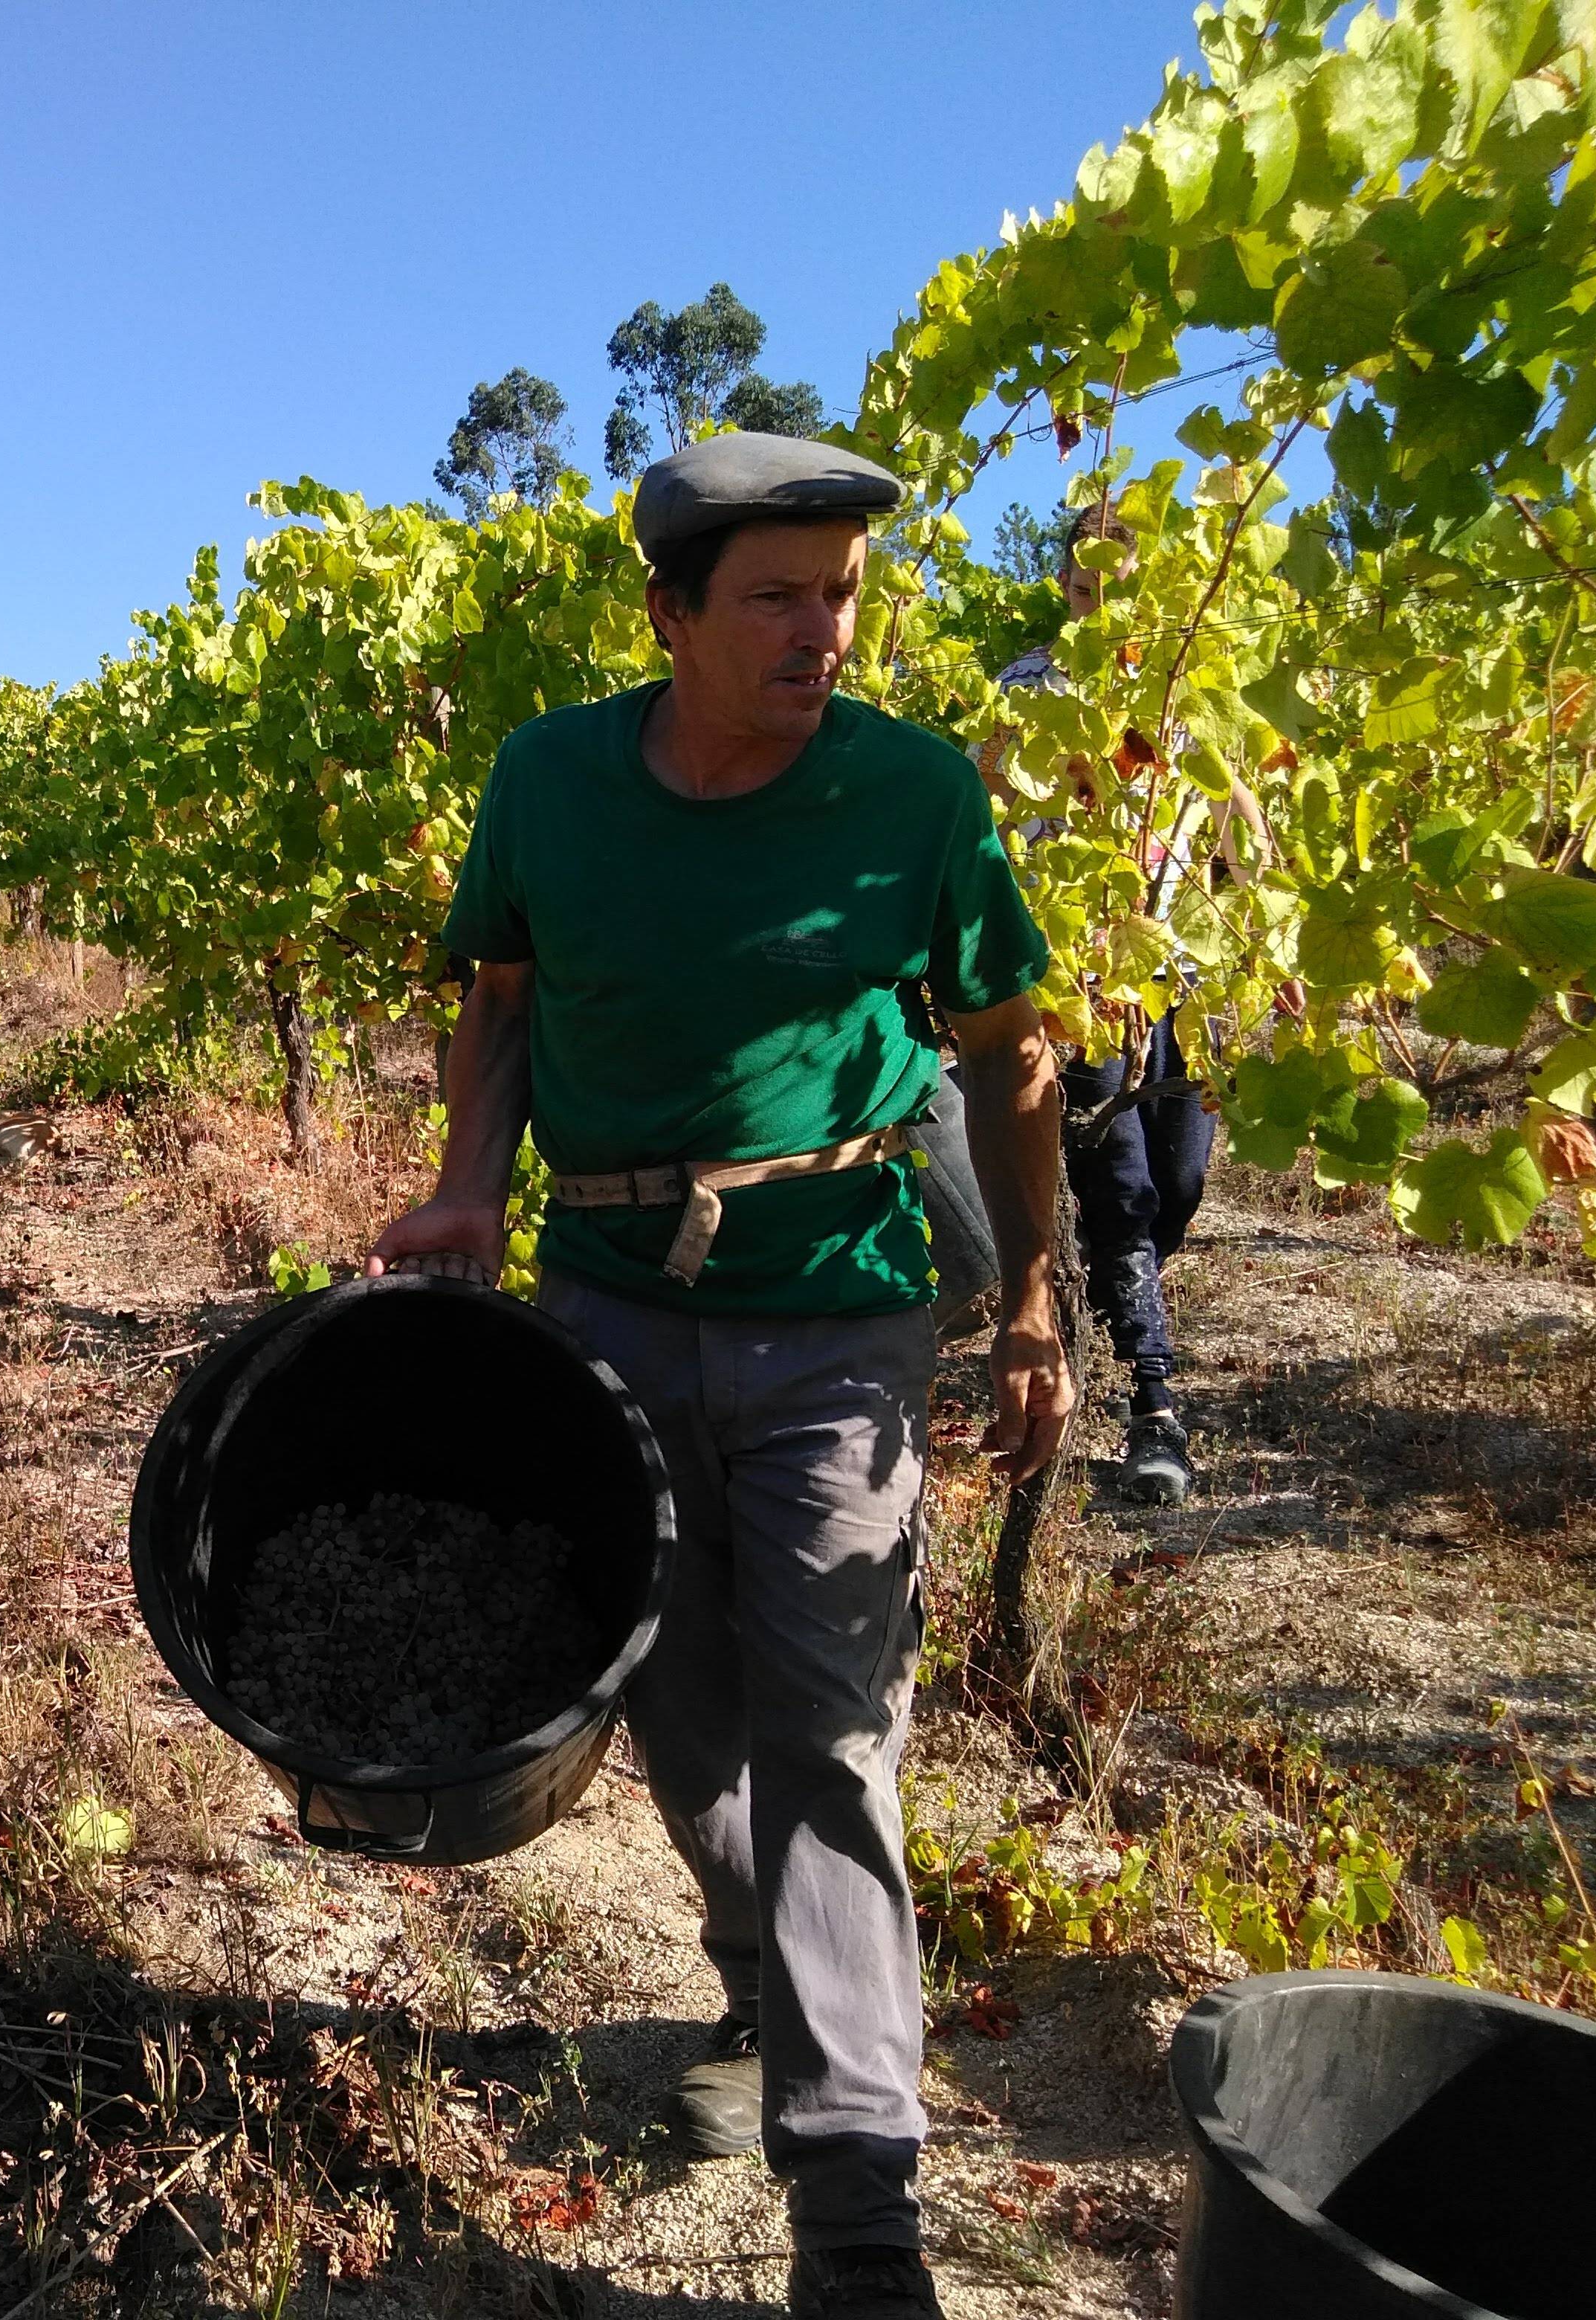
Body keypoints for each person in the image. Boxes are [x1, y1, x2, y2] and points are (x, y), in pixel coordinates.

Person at [369, 432, 1073, 2320]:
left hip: (840, 1310)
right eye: (776, 595)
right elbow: (502, 999)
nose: (820, 631)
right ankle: (760, 1976)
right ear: (671, 612)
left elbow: (1009, 1051)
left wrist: (1029, 1304)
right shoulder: (552, 783)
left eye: (841, 594)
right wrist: (461, 1187)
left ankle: (856, 2213)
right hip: (605, 1306)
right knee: (676, 1705)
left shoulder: (913, 796)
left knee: (834, 1728)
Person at [980, 507, 1211, 1506]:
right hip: (1076, 978)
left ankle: (1094, 1298)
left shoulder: (1184, 687)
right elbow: (988, 805)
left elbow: (1223, 819)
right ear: (1065, 585)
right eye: (1083, 582)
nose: (1098, 599)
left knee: (1181, 1181)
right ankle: (1156, 1409)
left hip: (1183, 979)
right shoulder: (1029, 684)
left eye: (1116, 581)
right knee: (1125, 1190)